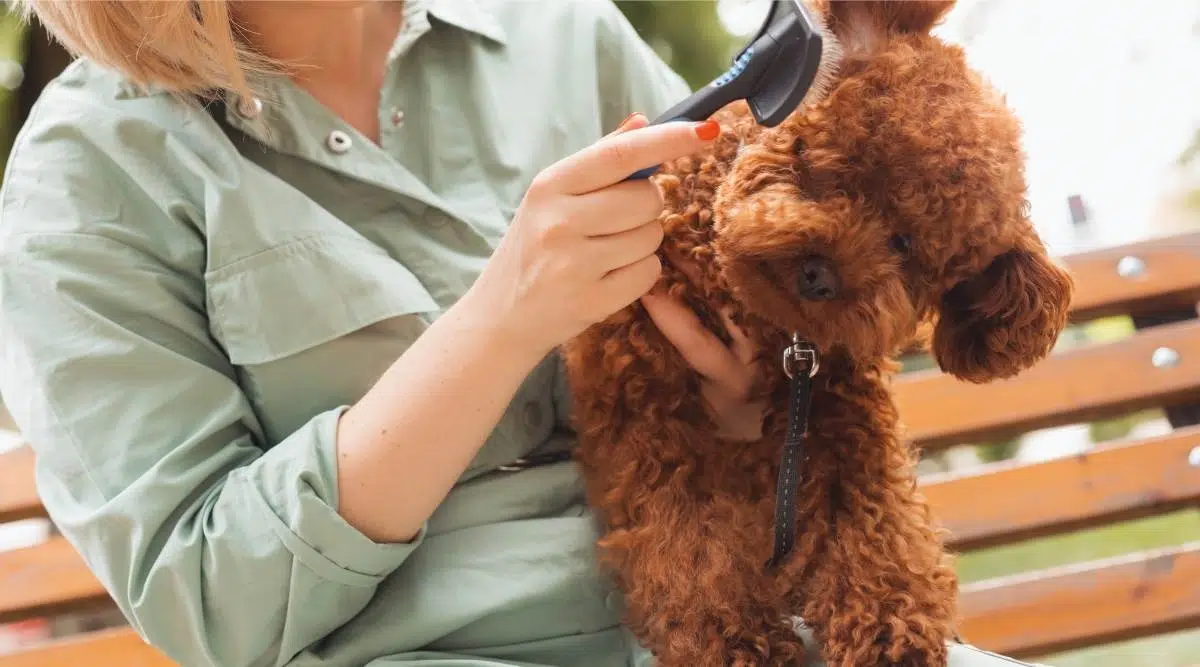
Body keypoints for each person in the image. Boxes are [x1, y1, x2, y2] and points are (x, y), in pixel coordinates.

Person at [0, 2, 1042, 666]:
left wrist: (745, 399)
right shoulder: (84, 182)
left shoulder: (563, 36)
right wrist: (503, 320)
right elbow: (208, 599)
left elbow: (758, 307)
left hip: (748, 632)